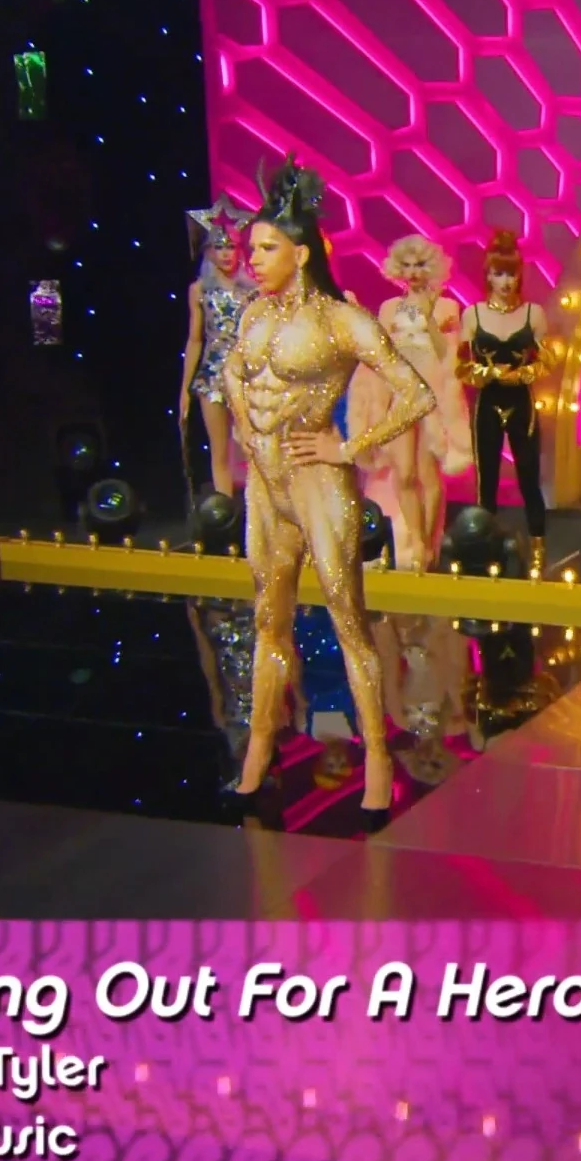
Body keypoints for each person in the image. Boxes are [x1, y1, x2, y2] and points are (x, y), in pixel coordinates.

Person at [223, 161, 434, 816]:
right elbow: (232, 372)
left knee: (347, 619)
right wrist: (246, 428)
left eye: (266, 248)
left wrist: (347, 447)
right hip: (267, 484)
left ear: (301, 253)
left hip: (318, 482)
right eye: (252, 248)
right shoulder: (254, 314)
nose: (253, 259)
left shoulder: (342, 320)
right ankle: (259, 749)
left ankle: (376, 756)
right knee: (269, 617)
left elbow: (416, 393)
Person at [349, 235, 473, 571]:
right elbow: (381, 354)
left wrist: (430, 318)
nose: (414, 272)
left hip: (431, 401)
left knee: (427, 476)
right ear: (397, 269)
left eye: (419, 265)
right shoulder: (390, 308)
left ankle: (428, 548)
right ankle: (417, 539)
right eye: (407, 265)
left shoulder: (447, 307)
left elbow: (449, 356)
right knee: (403, 473)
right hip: (400, 398)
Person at [458, 228, 549, 564]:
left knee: (529, 477)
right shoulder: (473, 315)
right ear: (488, 275)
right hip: (487, 402)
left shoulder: (534, 314)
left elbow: (548, 360)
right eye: (499, 274)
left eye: (511, 274)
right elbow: (461, 366)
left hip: (522, 403)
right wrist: (490, 374)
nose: (506, 282)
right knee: (487, 480)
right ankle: (485, 547)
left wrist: (521, 374)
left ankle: (538, 547)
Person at [178, 202, 252, 500]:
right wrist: (185, 389)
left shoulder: (253, 290)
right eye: (219, 247)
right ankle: (226, 513)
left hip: (247, 374)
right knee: (219, 452)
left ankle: (260, 513)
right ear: (208, 251)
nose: (225, 253)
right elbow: (195, 339)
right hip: (211, 376)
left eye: (231, 247)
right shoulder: (199, 290)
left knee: (253, 448)